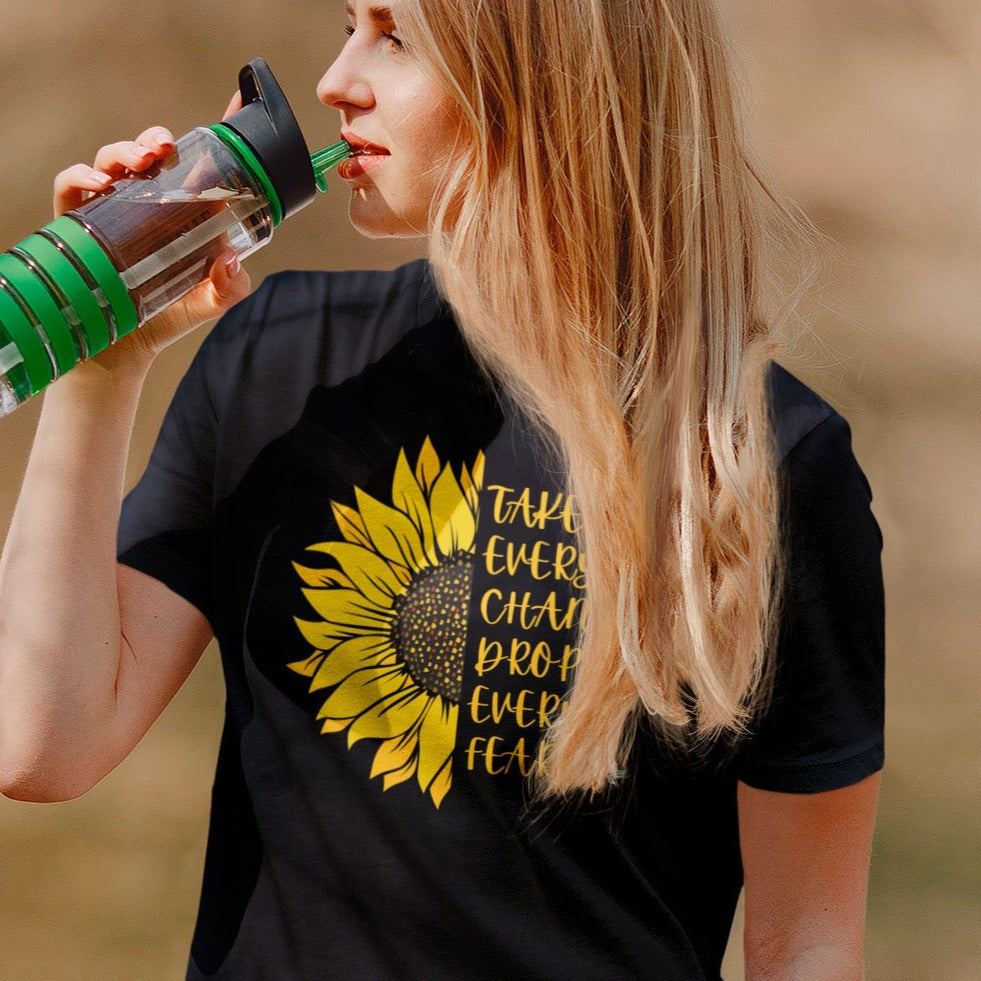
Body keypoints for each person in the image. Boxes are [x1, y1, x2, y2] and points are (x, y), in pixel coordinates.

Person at [0, 1, 884, 978]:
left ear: (554, 85)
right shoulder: (284, 366)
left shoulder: (766, 461)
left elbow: (802, 938)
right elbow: (39, 746)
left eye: (398, 36)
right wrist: (99, 367)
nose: (337, 79)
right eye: (349, 25)